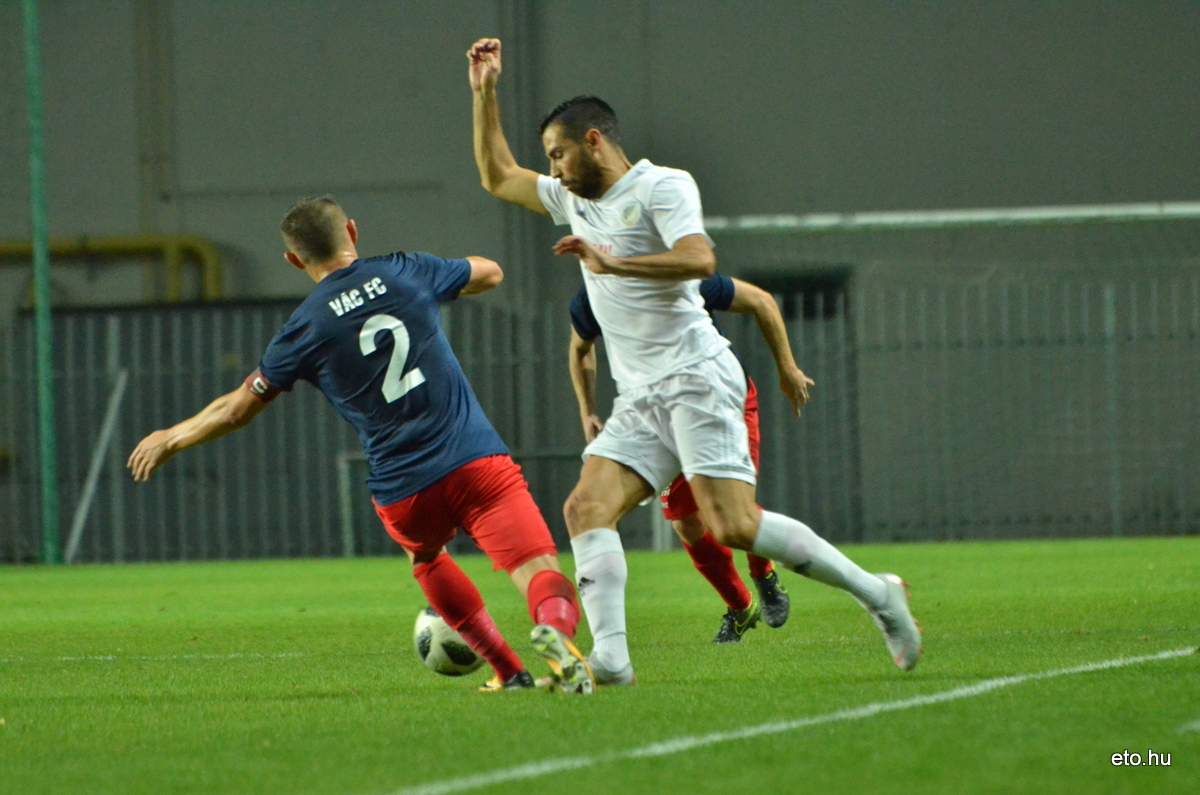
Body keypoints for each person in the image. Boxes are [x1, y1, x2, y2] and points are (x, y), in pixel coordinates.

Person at [468, 37, 922, 684]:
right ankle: (613, 658)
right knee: (584, 509)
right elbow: (496, 175)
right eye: (550, 158)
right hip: (642, 396)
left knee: (733, 525)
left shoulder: (661, 185)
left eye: (559, 153)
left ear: (594, 140)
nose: (555, 169)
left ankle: (879, 593)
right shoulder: (570, 198)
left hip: (697, 377)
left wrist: (610, 261)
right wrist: (484, 92)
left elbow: (699, 258)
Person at [127, 196, 595, 694]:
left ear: (293, 260)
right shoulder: (405, 271)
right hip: (474, 460)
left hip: (403, 488)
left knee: (428, 559)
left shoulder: (303, 328)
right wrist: (444, 281)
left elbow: (237, 409)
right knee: (537, 567)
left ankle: (509, 672)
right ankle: (557, 638)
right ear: (352, 230)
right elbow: (490, 273)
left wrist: (170, 437)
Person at [569, 273, 806, 643]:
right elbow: (580, 348)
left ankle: (764, 573)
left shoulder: (677, 277)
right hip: (663, 414)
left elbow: (761, 300)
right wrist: (587, 410)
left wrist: (788, 370)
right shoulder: (593, 297)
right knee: (686, 523)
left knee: (733, 513)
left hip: (722, 401)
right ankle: (741, 606)